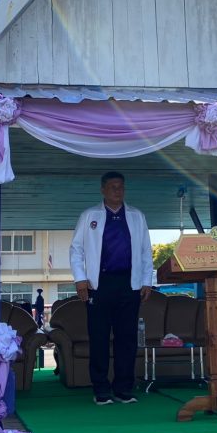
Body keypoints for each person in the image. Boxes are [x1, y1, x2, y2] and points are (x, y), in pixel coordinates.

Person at [69, 171, 153, 405]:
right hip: (99, 284)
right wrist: (80, 279)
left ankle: (123, 389)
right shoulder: (90, 215)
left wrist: (147, 280)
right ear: (103, 190)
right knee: (99, 337)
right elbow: (76, 249)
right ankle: (101, 389)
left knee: (127, 338)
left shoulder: (137, 216)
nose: (118, 190)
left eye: (121, 187)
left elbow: (146, 250)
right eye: (113, 187)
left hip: (129, 283)